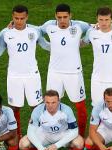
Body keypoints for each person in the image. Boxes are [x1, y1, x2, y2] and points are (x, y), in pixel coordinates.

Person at [0, 5, 50, 141]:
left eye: (22, 18)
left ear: (27, 17)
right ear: (12, 17)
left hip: (32, 75)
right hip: (14, 76)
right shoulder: (5, 33)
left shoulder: (35, 31)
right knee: (14, 108)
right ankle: (16, 136)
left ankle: (35, 135)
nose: (19, 21)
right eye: (16, 18)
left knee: (36, 107)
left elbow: (45, 45)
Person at [40, 3, 90, 137]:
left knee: (80, 106)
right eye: (59, 17)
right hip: (54, 73)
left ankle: (80, 136)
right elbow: (35, 31)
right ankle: (53, 134)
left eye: (65, 17)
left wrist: (84, 42)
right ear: (55, 16)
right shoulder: (49, 26)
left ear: (70, 16)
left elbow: (97, 28)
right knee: (51, 105)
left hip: (74, 73)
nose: (62, 20)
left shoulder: (79, 26)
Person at [19, 90, 84, 150]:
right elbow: (30, 132)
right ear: (44, 101)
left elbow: (74, 131)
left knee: (80, 143)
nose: (50, 105)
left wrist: (57, 145)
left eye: (53, 102)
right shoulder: (37, 110)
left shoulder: (67, 110)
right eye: (47, 102)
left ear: (59, 101)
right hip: (44, 134)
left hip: (62, 134)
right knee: (23, 144)